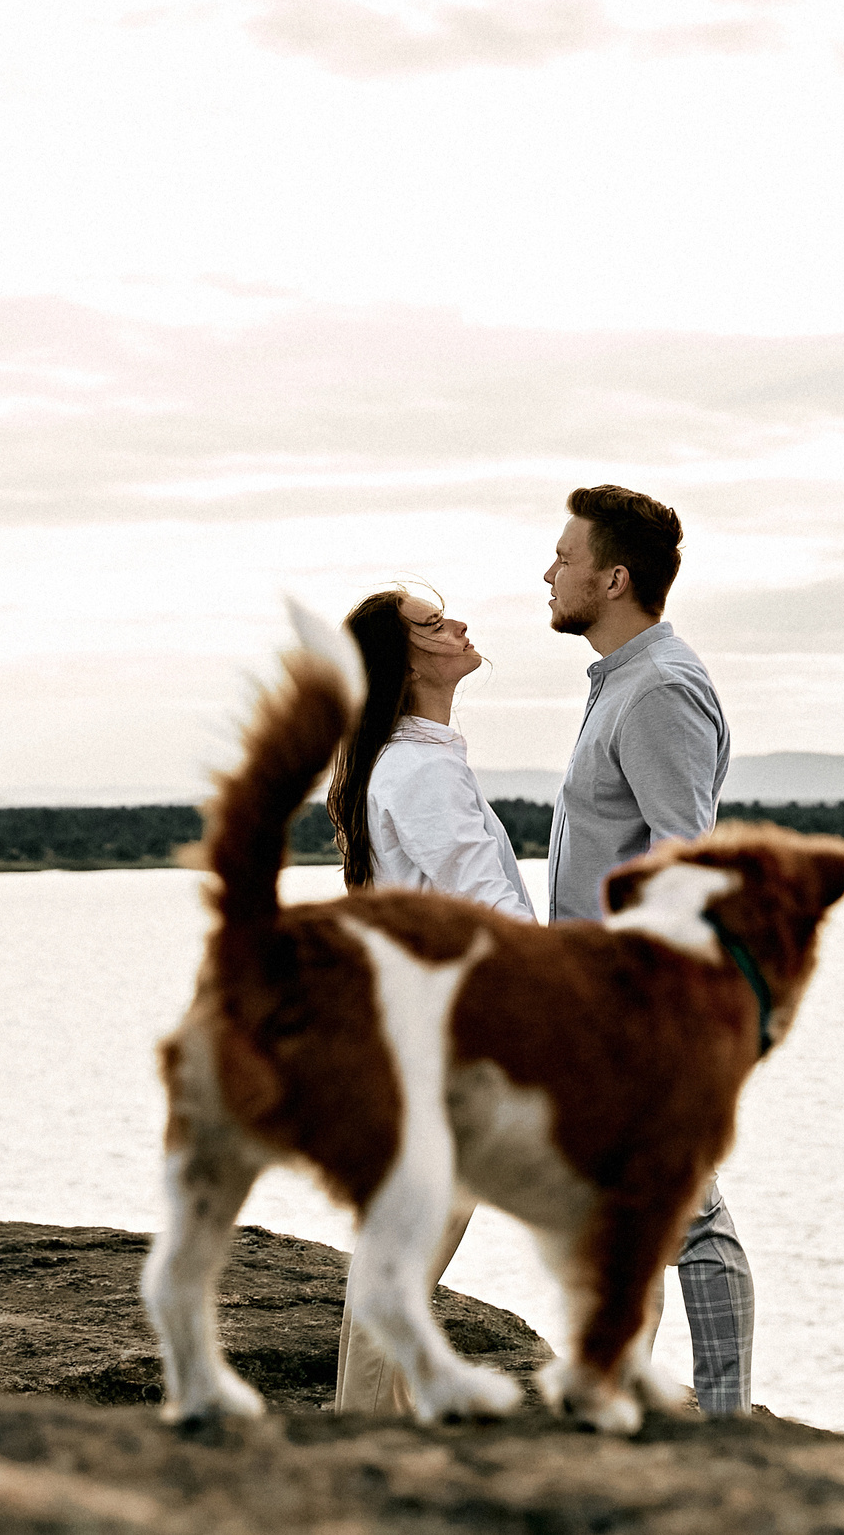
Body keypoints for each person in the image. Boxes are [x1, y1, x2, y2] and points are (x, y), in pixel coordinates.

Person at [541, 484, 754, 1417]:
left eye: (565, 556)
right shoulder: (621, 681)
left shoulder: (660, 688)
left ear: (614, 578)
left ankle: (723, 1418)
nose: (548, 571)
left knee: (692, 1221)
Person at [323, 585, 535, 1413]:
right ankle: (362, 1466)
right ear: (403, 659)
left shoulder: (414, 759)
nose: (459, 625)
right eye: (433, 622)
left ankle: (378, 1451)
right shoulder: (416, 770)